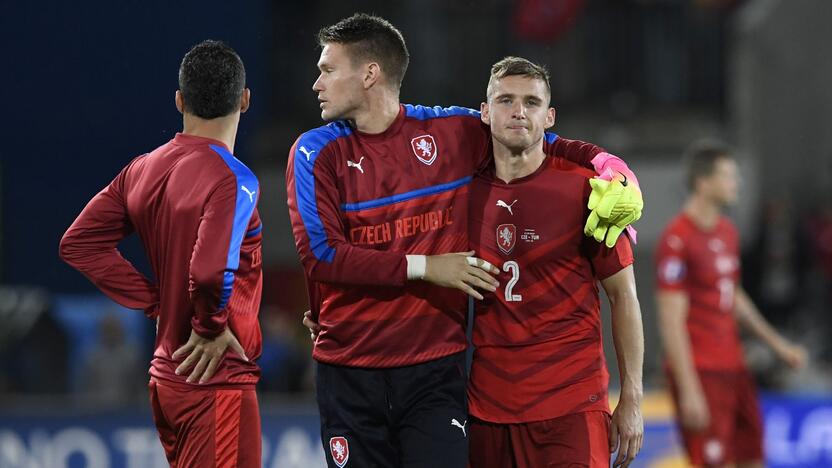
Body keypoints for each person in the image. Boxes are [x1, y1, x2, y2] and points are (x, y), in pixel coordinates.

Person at [287, 13, 643, 468]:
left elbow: (536, 138)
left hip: (461, 380)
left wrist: (611, 164)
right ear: (486, 110)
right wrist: (328, 307)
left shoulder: (456, 140)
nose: (317, 82)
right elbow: (322, 255)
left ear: (370, 73)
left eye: (328, 69)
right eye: (505, 102)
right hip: (379, 380)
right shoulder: (317, 152)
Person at [60, 40, 263, 468]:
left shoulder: (142, 169)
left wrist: (155, 301)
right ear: (244, 101)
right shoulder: (234, 178)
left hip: (167, 378)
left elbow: (79, 243)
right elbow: (208, 273)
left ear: (179, 100)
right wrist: (209, 325)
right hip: (215, 378)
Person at [466, 56, 644, 468]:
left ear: (549, 117)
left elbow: (624, 296)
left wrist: (631, 397)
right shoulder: (462, 193)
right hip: (487, 408)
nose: (518, 111)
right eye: (506, 100)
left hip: (571, 404)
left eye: (531, 102)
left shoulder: (590, 191)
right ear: (485, 112)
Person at [655, 141, 807, 468]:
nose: (736, 183)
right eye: (728, 176)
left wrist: (779, 346)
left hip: (734, 367)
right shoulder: (677, 238)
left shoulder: (727, 232)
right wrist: (689, 388)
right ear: (703, 183)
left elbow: (733, 296)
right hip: (702, 371)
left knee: (753, 457)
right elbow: (670, 320)